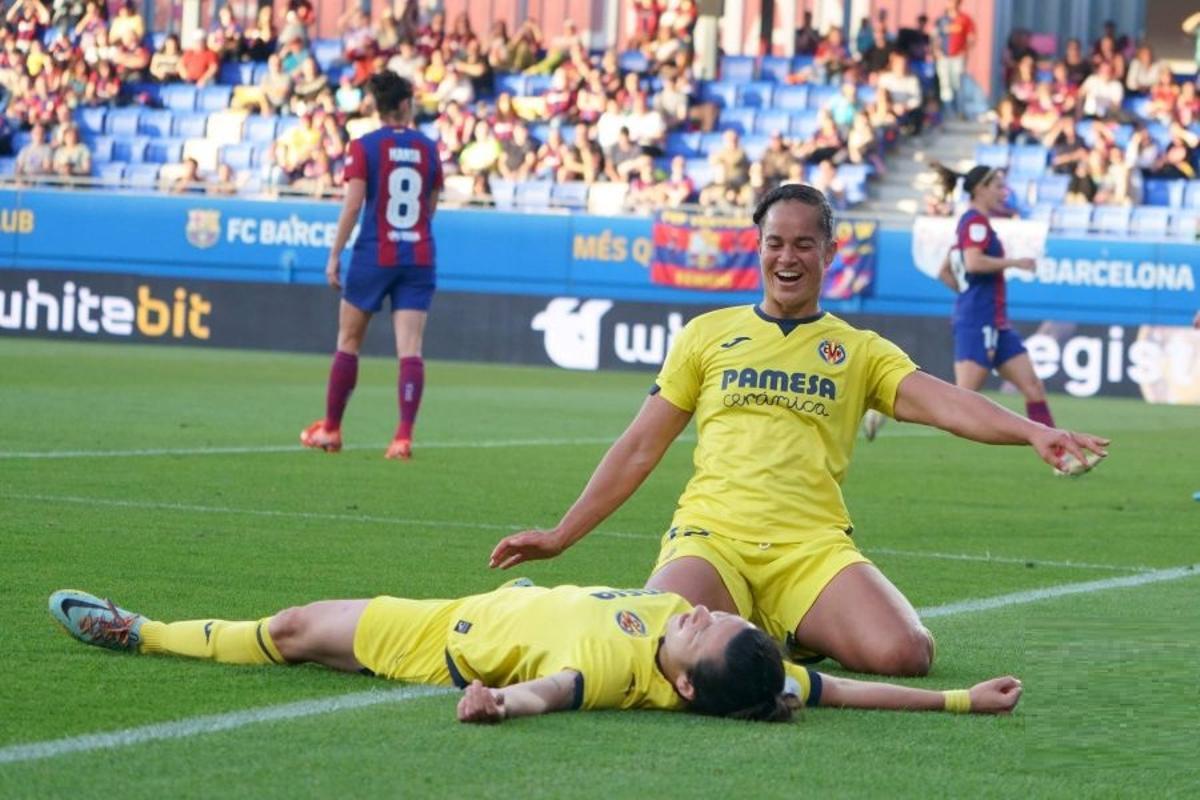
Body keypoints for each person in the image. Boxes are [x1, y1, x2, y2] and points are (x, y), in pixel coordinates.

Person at [490, 184, 1109, 678]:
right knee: (659, 642)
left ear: (830, 251)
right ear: (757, 248)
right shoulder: (707, 336)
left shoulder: (858, 349)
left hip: (810, 547)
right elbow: (639, 448)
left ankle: (780, 629)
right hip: (712, 538)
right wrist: (561, 535)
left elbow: (945, 403)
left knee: (906, 654)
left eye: (804, 245)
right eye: (775, 243)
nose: (788, 258)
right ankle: (765, 633)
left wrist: (1032, 432)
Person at [49, 585, 1024, 724]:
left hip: (437, 634)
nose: (695, 608)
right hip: (475, 607)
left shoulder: (620, 669)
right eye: (711, 612)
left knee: (298, 628)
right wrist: (956, 702)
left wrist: (499, 705)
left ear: (681, 680)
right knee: (311, 643)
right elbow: (836, 686)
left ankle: (141, 632)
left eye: (698, 626)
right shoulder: (738, 665)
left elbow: (558, 689)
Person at [301, 72, 442, 461]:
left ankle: (330, 429)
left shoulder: (365, 146)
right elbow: (430, 206)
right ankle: (402, 438)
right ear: (404, 105)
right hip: (417, 255)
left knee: (348, 343)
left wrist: (334, 254)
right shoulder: (428, 148)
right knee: (410, 349)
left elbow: (352, 205)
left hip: (373, 253)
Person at [934, 165, 1060, 433]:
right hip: (980, 318)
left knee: (1033, 387)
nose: (1003, 192)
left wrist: (968, 293)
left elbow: (945, 271)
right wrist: (1015, 262)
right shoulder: (975, 223)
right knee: (963, 397)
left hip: (994, 320)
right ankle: (888, 410)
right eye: (998, 186)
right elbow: (973, 262)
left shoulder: (970, 223)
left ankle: (1058, 453)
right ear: (981, 189)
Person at [934, 0, 975, 119]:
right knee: (945, 83)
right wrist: (937, 51)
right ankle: (948, 111)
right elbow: (935, 36)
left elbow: (971, 38)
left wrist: (964, 51)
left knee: (957, 83)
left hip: (957, 57)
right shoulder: (942, 20)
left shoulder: (965, 19)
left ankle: (960, 111)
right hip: (943, 57)